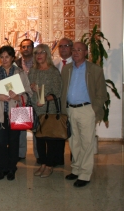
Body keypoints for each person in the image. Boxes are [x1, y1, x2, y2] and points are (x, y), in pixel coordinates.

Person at [0, 45, 32, 181]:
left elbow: (29, 92)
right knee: (0, 142)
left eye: (7, 57)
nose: (4, 59)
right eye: (2, 57)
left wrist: (18, 97)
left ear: (12, 58)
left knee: (13, 142)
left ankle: (12, 168)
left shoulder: (20, 73)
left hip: (15, 112)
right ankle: (2, 168)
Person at [61, 42, 107, 187]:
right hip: (70, 110)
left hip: (86, 110)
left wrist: (94, 109)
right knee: (74, 142)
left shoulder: (95, 70)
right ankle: (76, 169)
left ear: (86, 52)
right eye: (73, 49)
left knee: (87, 142)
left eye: (79, 50)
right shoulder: (67, 69)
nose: (75, 52)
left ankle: (85, 174)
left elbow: (101, 93)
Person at [28, 44, 62, 178]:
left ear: (47, 54)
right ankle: (42, 163)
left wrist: (45, 98)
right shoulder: (33, 71)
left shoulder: (53, 71)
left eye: (42, 52)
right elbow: (28, 89)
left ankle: (49, 166)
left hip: (49, 110)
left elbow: (58, 92)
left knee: (50, 139)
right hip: (36, 110)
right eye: (36, 53)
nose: (39, 55)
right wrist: (30, 88)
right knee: (39, 139)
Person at [15, 39, 39, 163]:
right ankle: (21, 153)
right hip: (21, 98)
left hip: (35, 98)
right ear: (20, 48)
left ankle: (38, 154)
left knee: (36, 127)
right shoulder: (16, 63)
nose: (26, 49)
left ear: (33, 48)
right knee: (21, 127)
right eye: (23, 47)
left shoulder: (39, 62)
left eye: (28, 46)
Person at [53, 37, 74, 165]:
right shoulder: (55, 64)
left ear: (71, 48)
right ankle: (58, 159)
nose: (63, 49)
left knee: (74, 132)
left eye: (66, 46)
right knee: (58, 132)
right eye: (60, 46)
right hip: (57, 105)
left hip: (72, 104)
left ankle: (75, 158)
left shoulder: (77, 64)